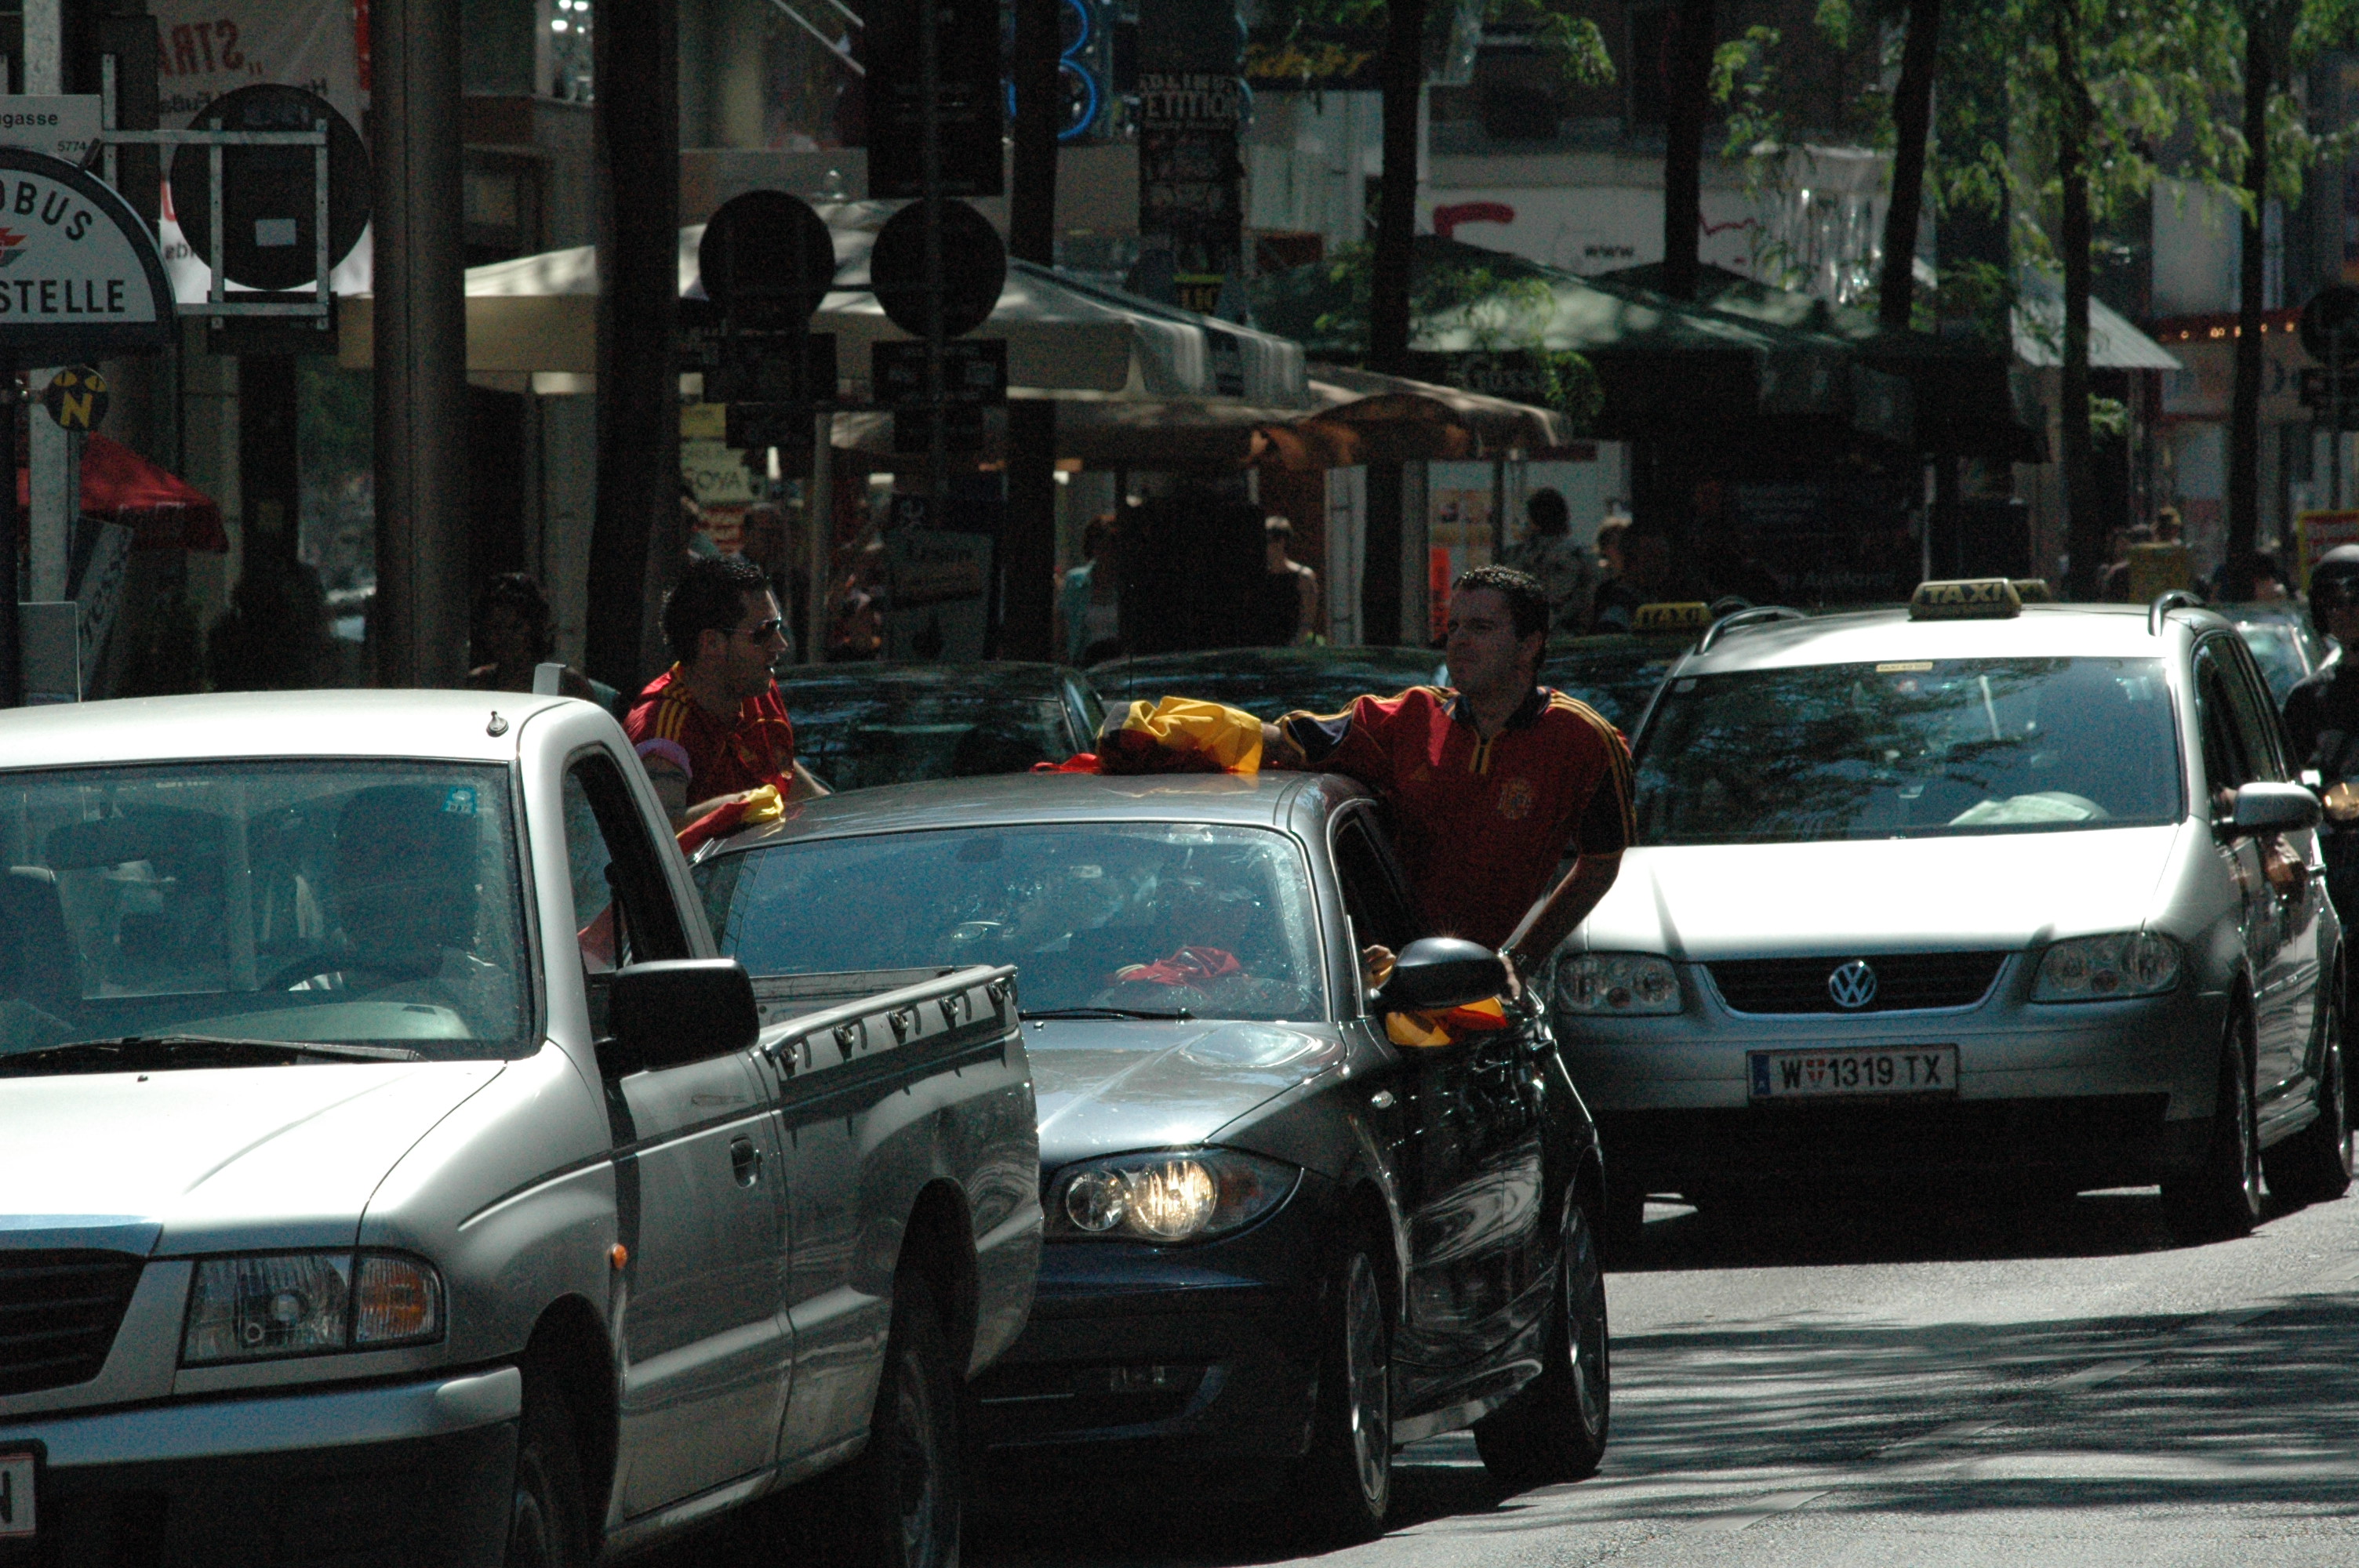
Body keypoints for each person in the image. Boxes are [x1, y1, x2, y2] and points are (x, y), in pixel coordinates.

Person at [1262, 564, 1634, 990]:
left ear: (1530, 645)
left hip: (1469, 989)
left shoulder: (1586, 741)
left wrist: (1519, 960)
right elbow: (1289, 743)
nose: (1458, 640)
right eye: (1453, 626)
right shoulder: (1409, 716)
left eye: (1480, 627)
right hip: (1363, 975)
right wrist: (1207, 728)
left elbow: (1601, 864)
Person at [626, 554, 828, 829]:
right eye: (763, 632)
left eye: (778, 626)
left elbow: (800, 791)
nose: (781, 644)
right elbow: (661, 832)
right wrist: (740, 806)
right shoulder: (662, 727)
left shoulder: (759, 690)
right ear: (711, 643)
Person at [2281, 546, 2359, 916]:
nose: (2345, 611)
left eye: (2356, 599)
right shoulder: (2309, 698)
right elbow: (2283, 779)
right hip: (2338, 858)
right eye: (2333, 601)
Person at [466, 573, 620, 713]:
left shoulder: (568, 685)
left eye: (514, 627)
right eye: (495, 627)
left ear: (535, 627)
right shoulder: (479, 683)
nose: (504, 637)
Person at [1503, 488, 1598, 636]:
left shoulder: (1513, 556)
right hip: (1569, 639)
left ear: (1531, 519)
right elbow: (1591, 600)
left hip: (1525, 638)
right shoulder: (1581, 556)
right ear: (1565, 517)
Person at [1057, 514, 1125, 665]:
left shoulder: (1126, 585)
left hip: (1120, 665)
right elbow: (1061, 628)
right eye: (1101, 546)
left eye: (1112, 546)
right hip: (1085, 664)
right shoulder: (1075, 582)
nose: (1107, 553)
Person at [1250, 515, 1321, 646]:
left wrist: (1294, 646)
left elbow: (1307, 620)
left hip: (1290, 650)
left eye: (1268, 541)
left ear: (1282, 542)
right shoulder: (1256, 577)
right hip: (1261, 648)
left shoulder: (1303, 577)